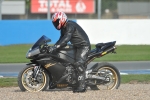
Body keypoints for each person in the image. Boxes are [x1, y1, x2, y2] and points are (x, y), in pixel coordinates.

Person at [49, 11, 91, 93]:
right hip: (76, 46)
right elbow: (61, 39)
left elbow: (66, 39)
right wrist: (53, 47)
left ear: (62, 19)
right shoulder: (63, 28)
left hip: (83, 46)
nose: (56, 24)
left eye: (57, 22)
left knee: (78, 64)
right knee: (67, 61)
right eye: (55, 23)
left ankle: (82, 86)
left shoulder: (70, 26)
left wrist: (56, 47)